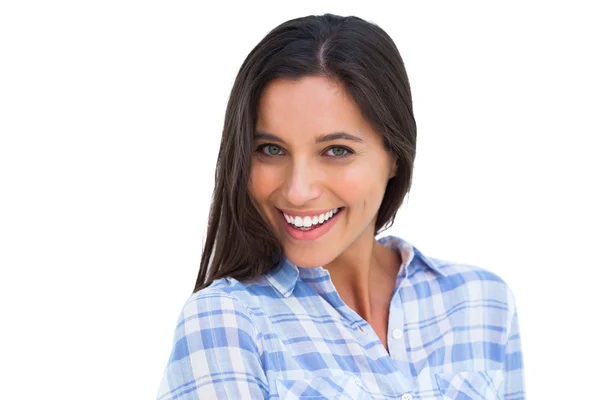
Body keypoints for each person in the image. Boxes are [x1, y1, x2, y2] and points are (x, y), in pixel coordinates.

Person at [157, 13, 525, 400]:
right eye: (271, 149)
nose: (297, 191)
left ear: (395, 155)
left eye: (336, 150)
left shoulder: (483, 302)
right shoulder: (226, 323)